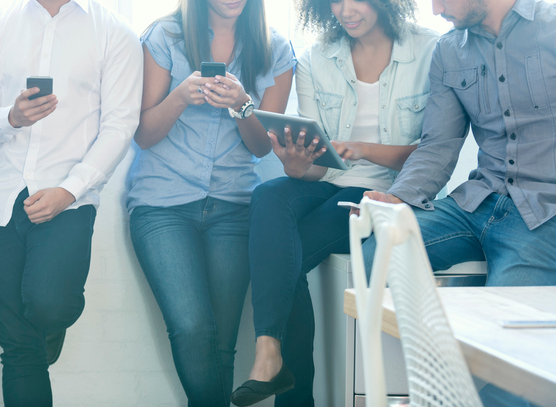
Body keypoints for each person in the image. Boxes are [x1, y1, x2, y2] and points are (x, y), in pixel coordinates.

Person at [233, 0, 439, 404]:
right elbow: (316, 169)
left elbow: (435, 152)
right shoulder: (316, 56)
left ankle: (280, 373)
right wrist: (295, 164)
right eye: (334, 1)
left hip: (392, 192)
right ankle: (268, 351)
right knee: (269, 194)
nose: (345, 10)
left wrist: (363, 149)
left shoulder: (431, 51)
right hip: (332, 184)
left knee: (279, 257)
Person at [361, 0, 556, 403]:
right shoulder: (450, 50)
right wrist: (398, 197)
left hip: (541, 216)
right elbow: (440, 143)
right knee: (375, 254)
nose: (435, 10)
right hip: (475, 203)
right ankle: (436, 385)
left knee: (515, 363)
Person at [0, 0, 141, 405]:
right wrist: (11, 118)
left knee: (49, 305)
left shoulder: (116, 33)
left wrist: (71, 189)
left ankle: (50, 324)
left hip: (68, 199)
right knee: (19, 349)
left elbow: (120, 123)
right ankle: (36, 336)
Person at [125, 0, 295, 405]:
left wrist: (242, 106)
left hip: (234, 204)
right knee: (191, 328)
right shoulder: (164, 35)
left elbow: (261, 148)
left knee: (221, 342)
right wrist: (181, 96)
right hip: (162, 201)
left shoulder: (277, 49)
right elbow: (144, 134)